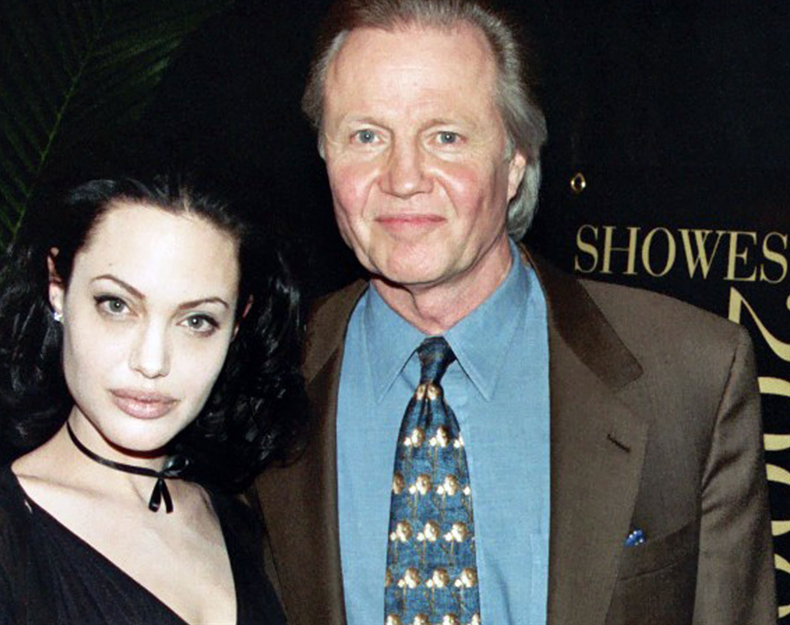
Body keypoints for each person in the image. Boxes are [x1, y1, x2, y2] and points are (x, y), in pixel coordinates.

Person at [253, 1, 776, 624]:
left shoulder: (690, 376)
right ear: (324, 155)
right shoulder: (260, 375)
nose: (403, 177)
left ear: (515, 162)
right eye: (366, 136)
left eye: (445, 137)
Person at [0, 174, 303, 624]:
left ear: (237, 324)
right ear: (58, 286)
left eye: (197, 321)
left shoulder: (245, 528)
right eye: (116, 305)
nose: (152, 362)